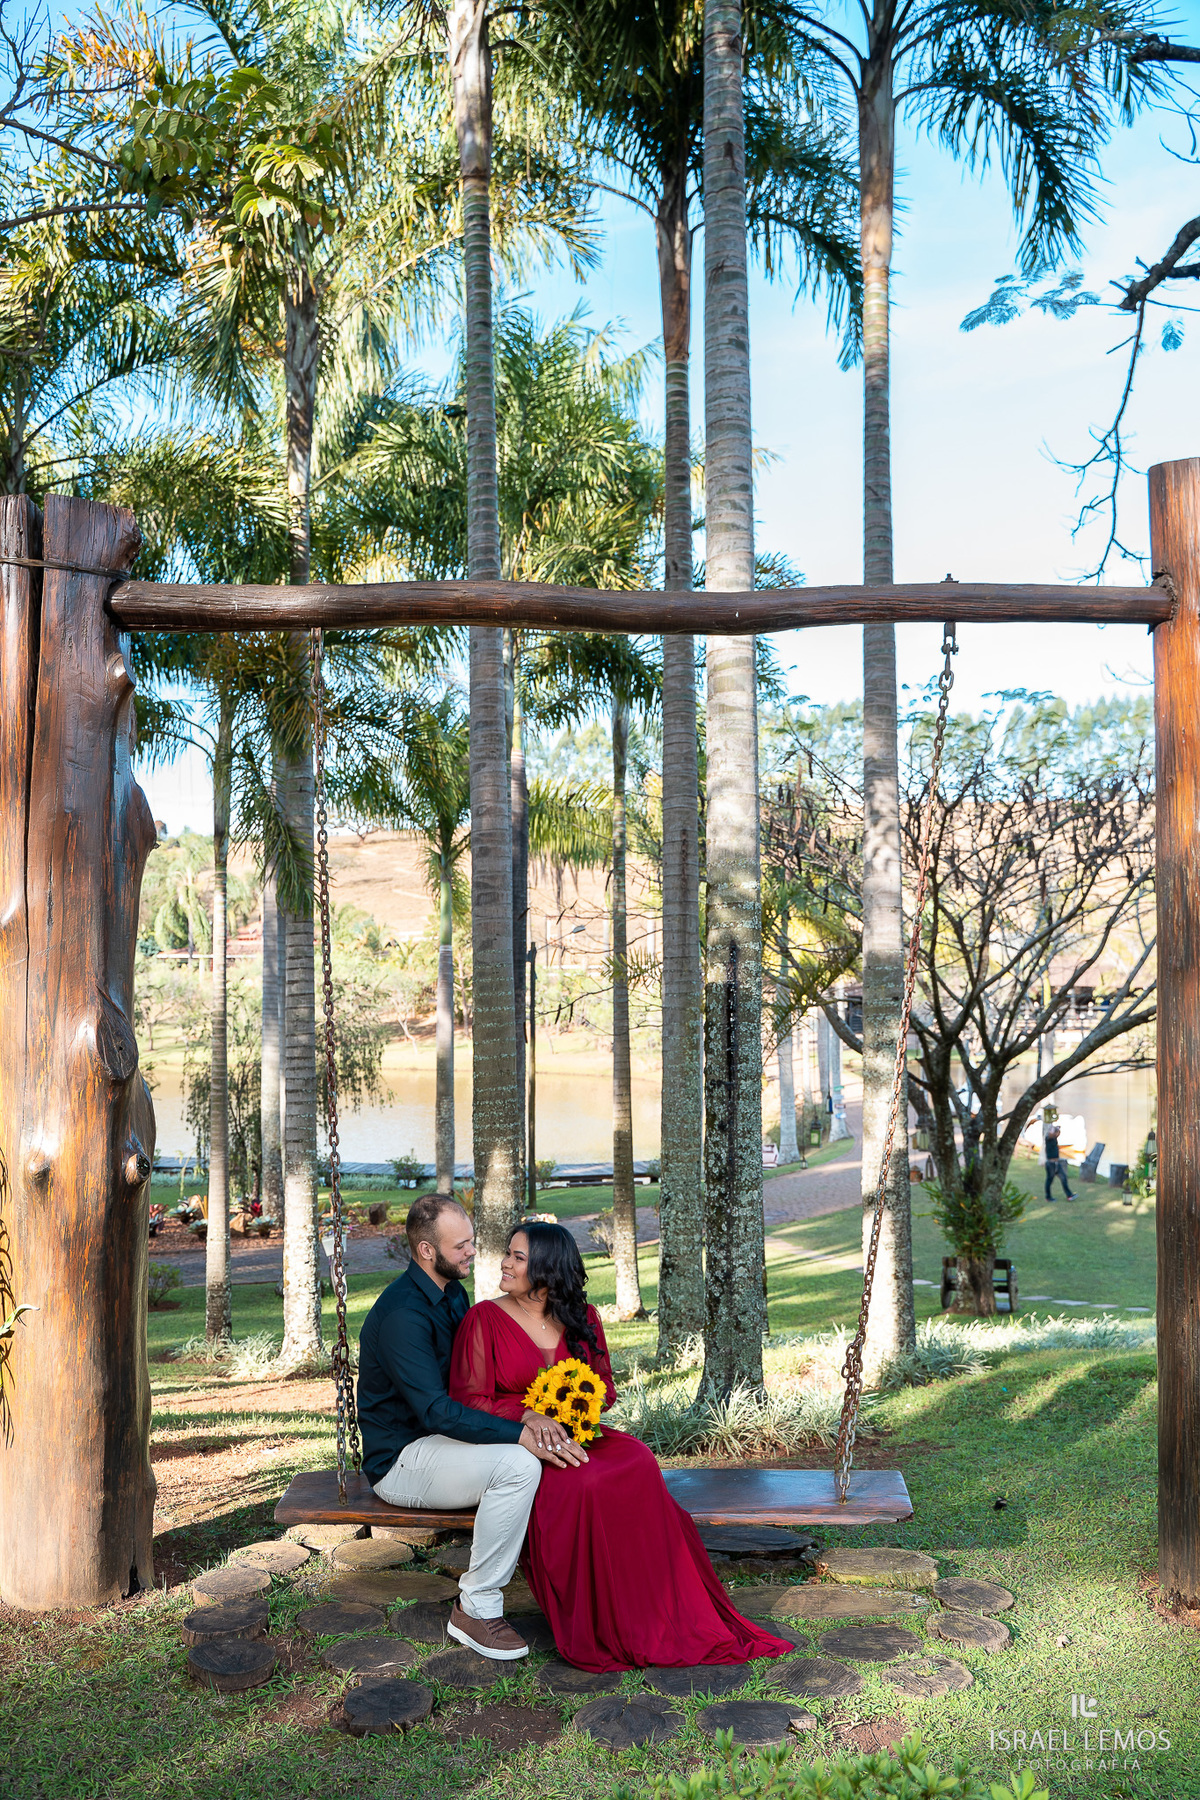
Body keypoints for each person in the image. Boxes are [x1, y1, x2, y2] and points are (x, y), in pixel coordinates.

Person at [449, 1221, 795, 1673]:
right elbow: (470, 1398)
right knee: (587, 1482)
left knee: (636, 1459)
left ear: (548, 1269)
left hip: (580, 1433)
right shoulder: (485, 1319)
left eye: (517, 1256)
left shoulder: (583, 1318)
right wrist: (530, 1414)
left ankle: (646, 1602)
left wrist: (577, 1400)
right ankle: (599, 1615)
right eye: (508, 1254)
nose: (505, 1262)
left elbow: (605, 1389)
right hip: (523, 1444)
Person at [356, 1194, 586, 1661]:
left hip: (446, 1443)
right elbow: (438, 1411)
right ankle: (476, 1608)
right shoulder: (404, 1314)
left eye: (471, 1241)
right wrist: (521, 1432)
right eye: (461, 1246)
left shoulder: (452, 1293)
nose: (472, 1252)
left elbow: (476, 1383)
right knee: (520, 1463)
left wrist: (535, 1413)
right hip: (404, 1458)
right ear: (426, 1251)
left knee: (555, 1455)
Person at [1043, 1121, 1074, 1202]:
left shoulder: (1054, 1138)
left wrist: (1058, 1129)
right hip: (1050, 1164)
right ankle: (1048, 1197)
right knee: (1049, 1180)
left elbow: (1057, 1133)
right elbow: (1051, 1133)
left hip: (1057, 1163)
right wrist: (1053, 1127)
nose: (1056, 1133)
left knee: (1063, 1178)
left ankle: (1069, 1195)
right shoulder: (1048, 1138)